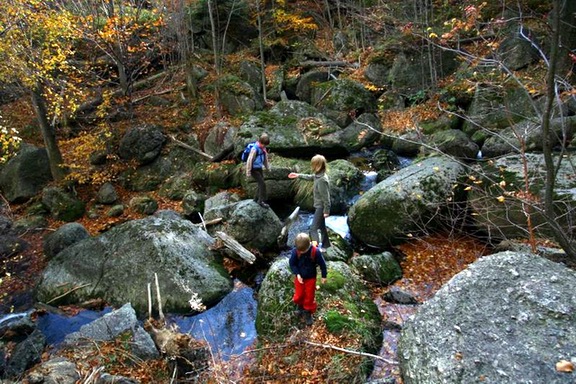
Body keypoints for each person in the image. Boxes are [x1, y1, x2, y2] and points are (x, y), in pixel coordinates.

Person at [288, 154, 331, 251]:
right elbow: (311, 177)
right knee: (322, 227)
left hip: (321, 207)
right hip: (319, 206)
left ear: (318, 166)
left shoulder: (322, 180)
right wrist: (298, 175)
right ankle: (325, 245)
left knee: (313, 229)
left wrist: (326, 211)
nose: (311, 166)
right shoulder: (318, 175)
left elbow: (326, 197)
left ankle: (315, 249)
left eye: (313, 164)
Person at [289, 232, 327, 326]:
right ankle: (300, 305)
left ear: (308, 246)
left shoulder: (315, 252)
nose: (301, 253)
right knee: (298, 294)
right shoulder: (296, 251)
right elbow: (292, 264)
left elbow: (323, 265)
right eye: (299, 251)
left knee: (309, 295)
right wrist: (297, 274)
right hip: (300, 277)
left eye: (303, 251)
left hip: (311, 278)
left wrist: (324, 276)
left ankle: (307, 311)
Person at [245, 133, 270, 208]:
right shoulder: (254, 149)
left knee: (261, 183)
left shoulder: (263, 149)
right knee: (262, 184)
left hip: (259, 168)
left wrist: (267, 167)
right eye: (264, 145)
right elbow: (249, 161)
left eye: (266, 145)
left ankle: (256, 198)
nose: (265, 147)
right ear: (260, 142)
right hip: (253, 169)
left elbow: (265, 159)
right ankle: (261, 201)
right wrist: (248, 171)